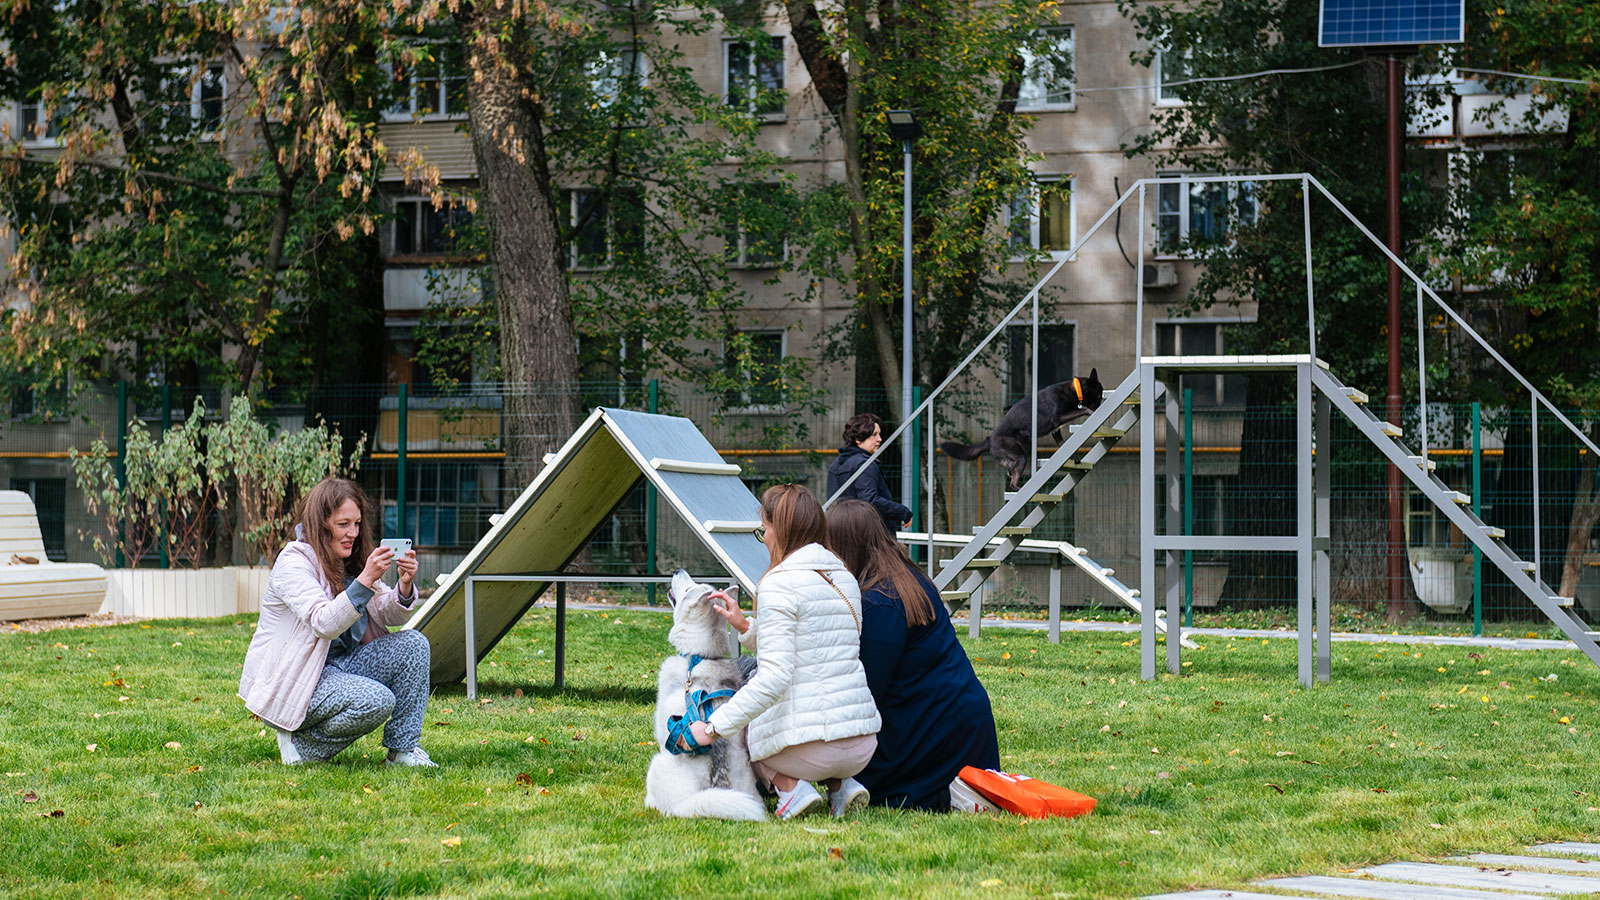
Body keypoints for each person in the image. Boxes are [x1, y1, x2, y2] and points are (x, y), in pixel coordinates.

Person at [682, 484, 883, 819]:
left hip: (813, 747)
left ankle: (790, 789)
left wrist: (712, 728)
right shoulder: (844, 577)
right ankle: (841, 786)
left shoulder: (779, 583)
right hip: (861, 742)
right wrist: (746, 627)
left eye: (764, 529)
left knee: (743, 720)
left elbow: (773, 679)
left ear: (783, 530)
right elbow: (811, 646)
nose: (764, 539)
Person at [239, 477, 436, 767]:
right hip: (300, 679)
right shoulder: (293, 563)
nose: (353, 533)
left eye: (357, 524)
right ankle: (302, 747)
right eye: (343, 524)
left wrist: (404, 585)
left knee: (414, 644)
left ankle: (403, 751)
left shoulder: (349, 559)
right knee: (377, 700)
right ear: (320, 523)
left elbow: (388, 614)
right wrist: (365, 580)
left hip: (341, 667)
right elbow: (324, 623)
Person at [825, 499, 999, 811]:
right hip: (960, 727)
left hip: (933, 736)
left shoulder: (879, 601)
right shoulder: (908, 578)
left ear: (844, 547)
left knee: (857, 776)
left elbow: (866, 692)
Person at [826, 413, 912, 538]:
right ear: (858, 439)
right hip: (866, 536)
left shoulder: (836, 464)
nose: (880, 439)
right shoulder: (865, 464)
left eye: (879, 434)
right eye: (874, 435)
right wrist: (902, 511)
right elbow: (869, 500)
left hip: (838, 532)